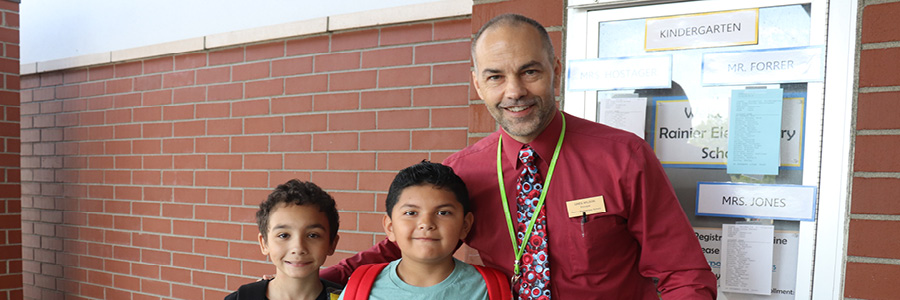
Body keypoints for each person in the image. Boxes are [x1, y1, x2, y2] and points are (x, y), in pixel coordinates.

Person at [322, 14, 717, 299]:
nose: (514, 91)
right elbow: (410, 241)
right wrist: (311, 281)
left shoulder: (623, 157)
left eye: (530, 72)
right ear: (478, 84)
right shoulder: (461, 172)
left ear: (555, 71)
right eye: (495, 76)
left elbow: (685, 275)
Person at [338, 161, 510, 300]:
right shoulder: (361, 288)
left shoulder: (490, 289)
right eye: (411, 213)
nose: (426, 223)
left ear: (465, 226)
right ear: (390, 227)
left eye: (443, 213)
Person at [227, 179, 343, 300]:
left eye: (312, 235)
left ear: (332, 243)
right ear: (264, 243)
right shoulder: (241, 298)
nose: (298, 248)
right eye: (284, 235)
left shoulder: (347, 297)